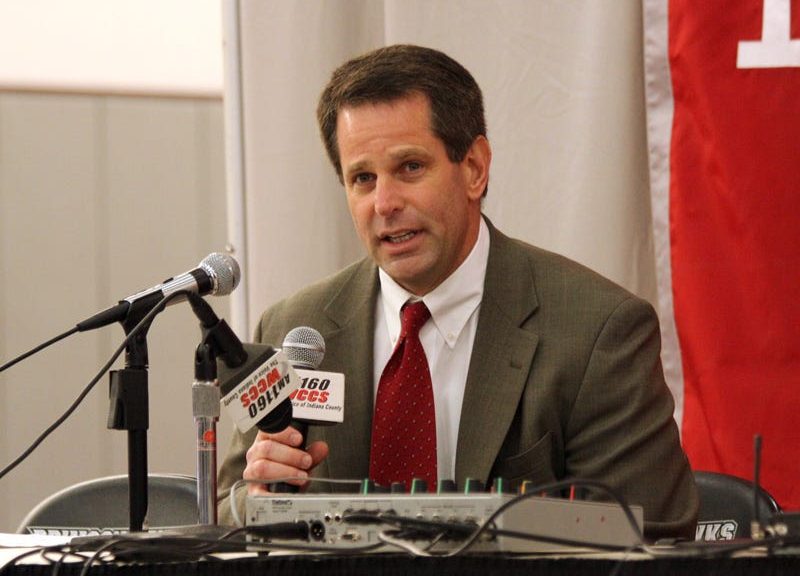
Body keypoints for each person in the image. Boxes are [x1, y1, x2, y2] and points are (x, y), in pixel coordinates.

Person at [217, 44, 698, 540]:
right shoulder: (296, 329)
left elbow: (651, 534)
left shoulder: (597, 332)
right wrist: (255, 502)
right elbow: (223, 513)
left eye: (410, 167)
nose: (385, 203)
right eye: (363, 178)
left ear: (474, 168)